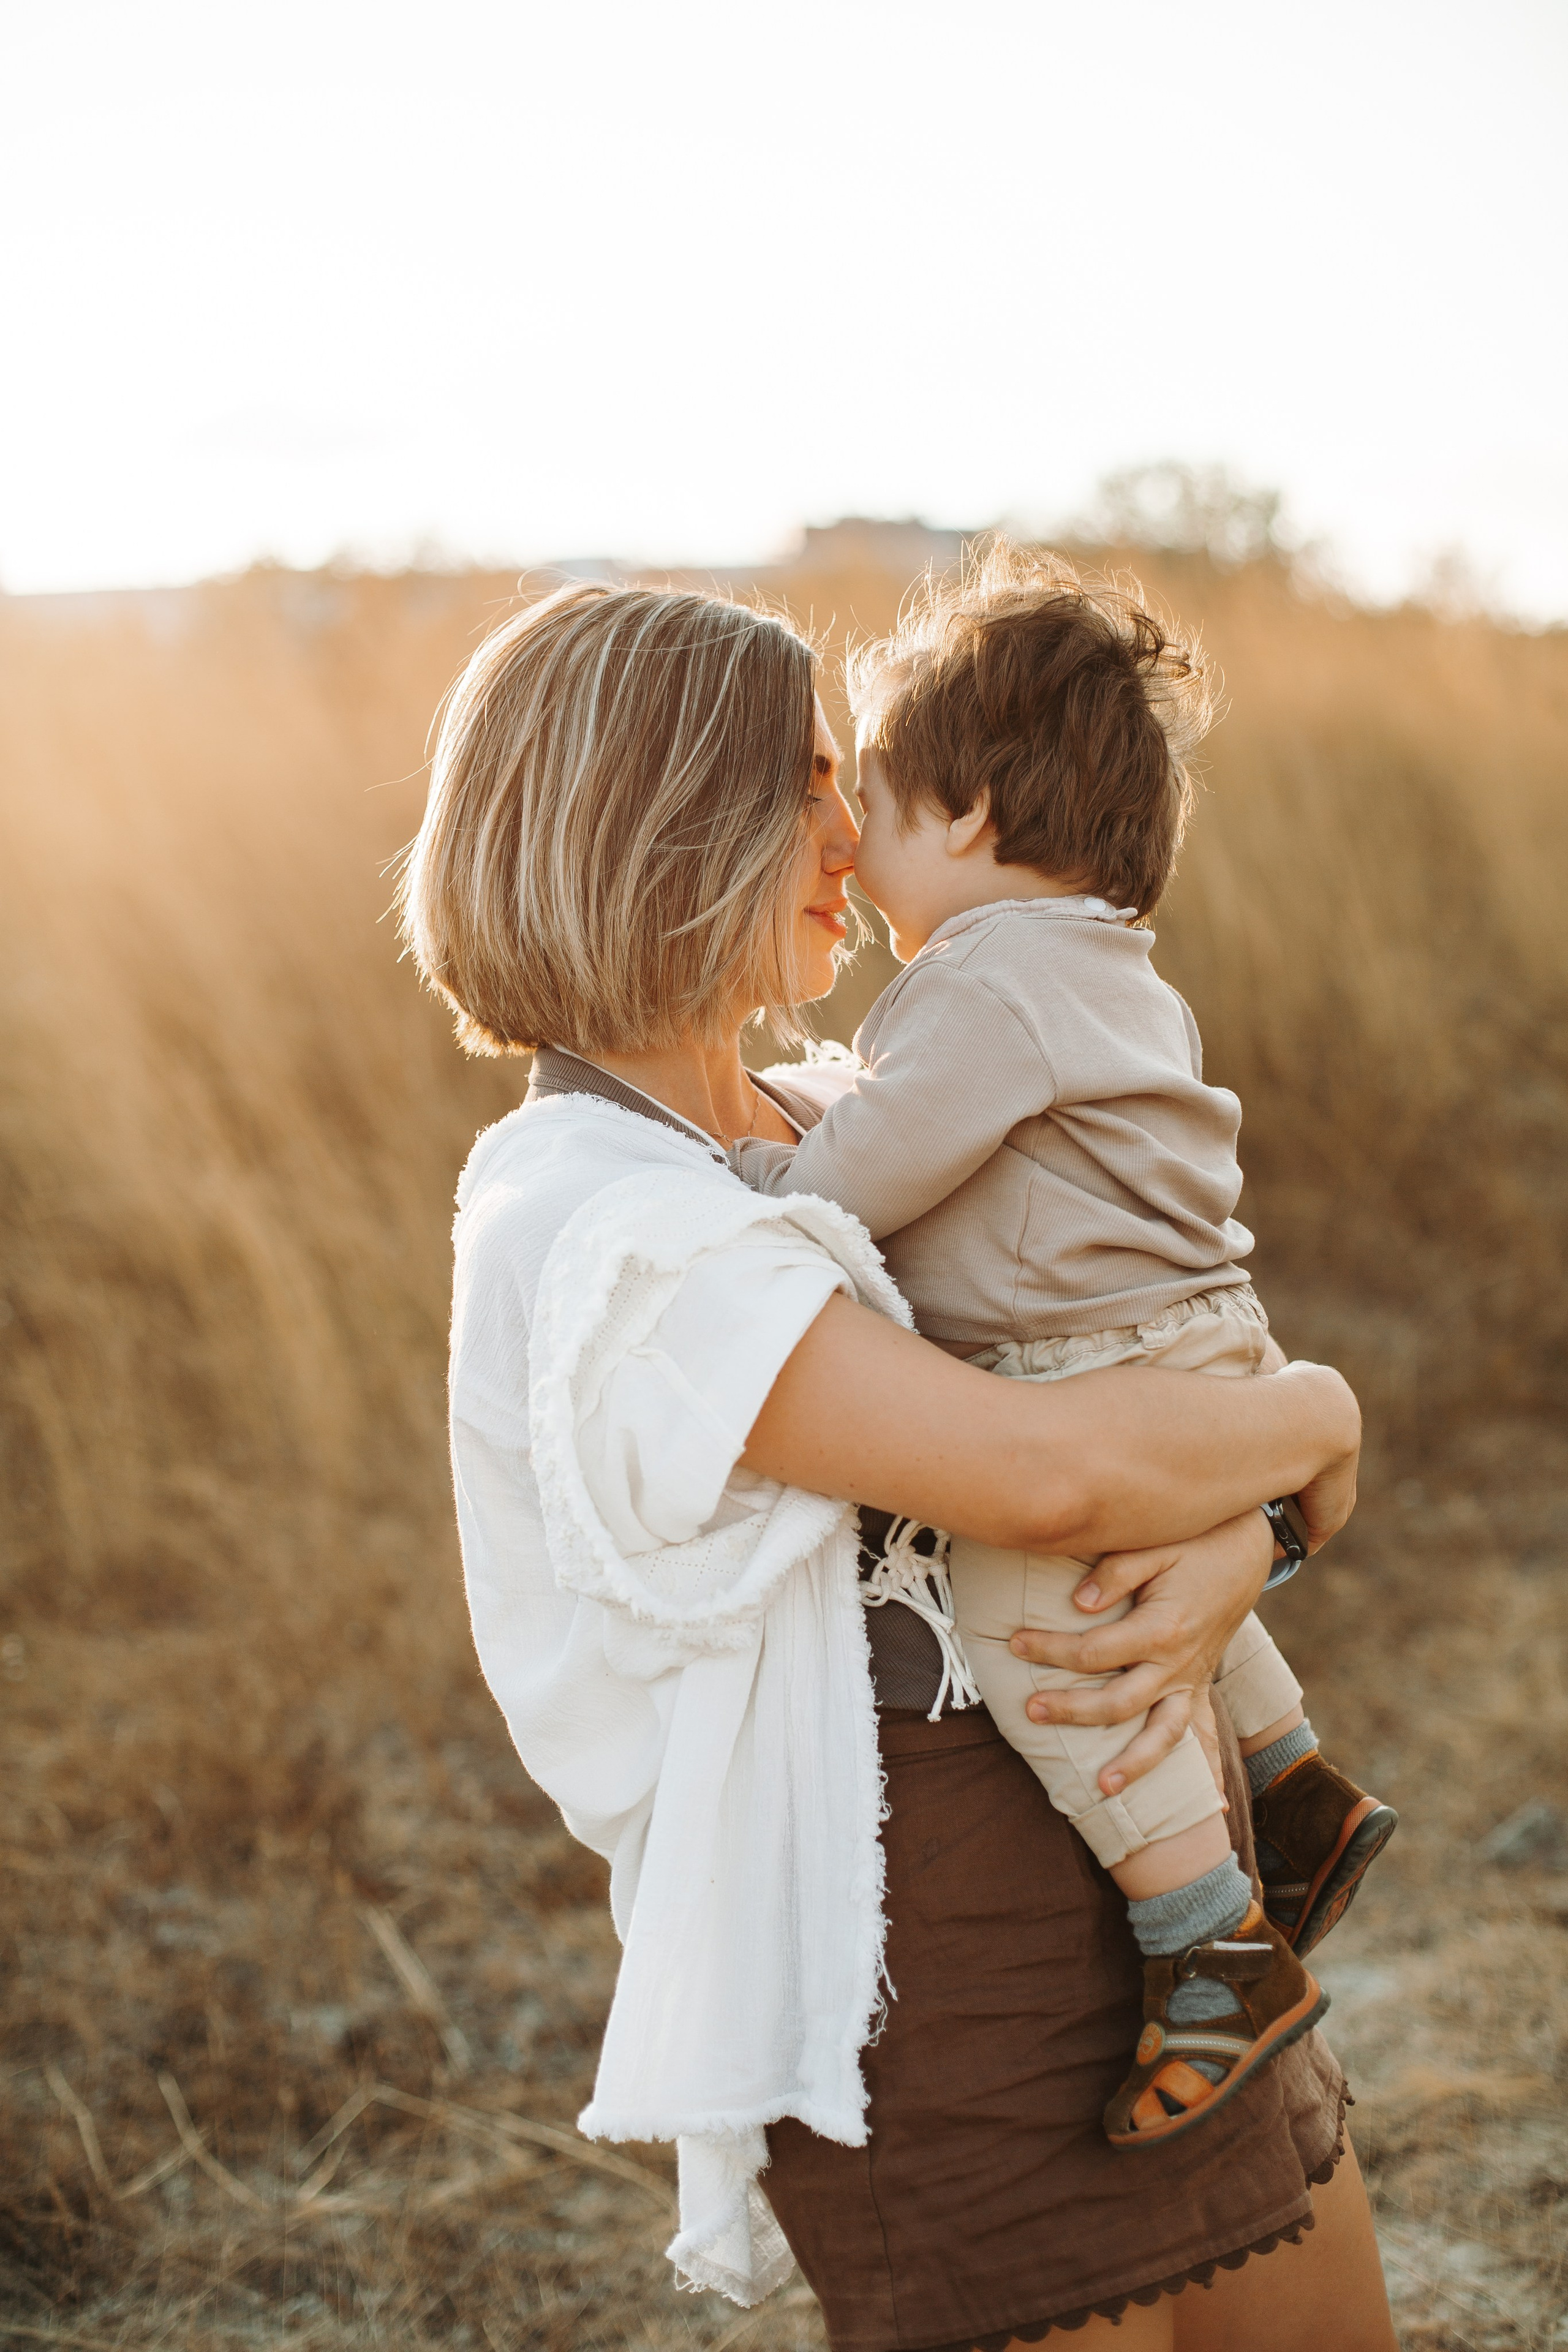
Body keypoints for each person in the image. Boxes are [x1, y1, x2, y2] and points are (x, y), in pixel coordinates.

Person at [398, 578, 1396, 2350]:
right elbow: (1052, 1477)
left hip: (1154, 1853)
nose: (852, 832)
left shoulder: (824, 1120)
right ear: (663, 822)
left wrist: (1250, 1530)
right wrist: (1320, 1424)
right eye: (806, 785)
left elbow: (1132, 1359)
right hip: (927, 1939)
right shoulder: (603, 1222)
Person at [728, 543, 1397, 2148]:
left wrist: (748, 1175)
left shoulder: (988, 983)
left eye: (873, 804)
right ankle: (1290, 1780)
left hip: (1095, 1359)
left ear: (965, 814)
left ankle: (1211, 1945)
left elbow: (857, 1181)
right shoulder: (1102, 964)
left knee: (1057, 1629)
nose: (851, 842)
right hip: (1202, 1336)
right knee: (1164, 1578)